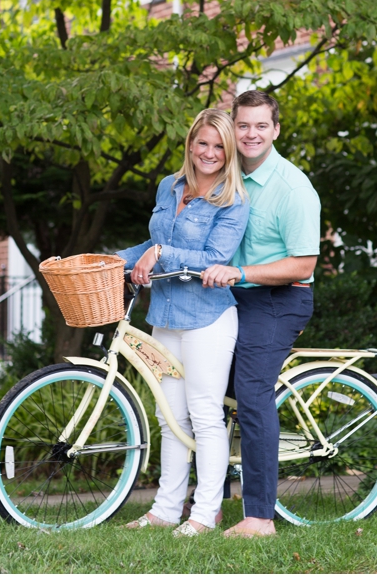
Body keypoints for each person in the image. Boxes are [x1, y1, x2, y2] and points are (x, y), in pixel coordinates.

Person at [117, 108, 249, 536]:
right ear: (190, 143)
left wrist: (163, 255)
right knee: (168, 415)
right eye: (202, 143)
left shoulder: (233, 200)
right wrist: (111, 259)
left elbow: (215, 258)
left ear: (228, 152)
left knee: (204, 414)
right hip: (164, 316)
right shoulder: (168, 186)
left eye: (218, 146)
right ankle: (165, 509)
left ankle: (205, 512)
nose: (209, 153)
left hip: (208, 317)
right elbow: (153, 243)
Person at [201, 90, 321, 538]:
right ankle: (208, 505)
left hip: (279, 298)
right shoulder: (224, 177)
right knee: (205, 390)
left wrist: (240, 271)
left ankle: (259, 518)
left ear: (275, 130)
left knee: (251, 393)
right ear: (233, 126)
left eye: (260, 126)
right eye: (243, 125)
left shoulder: (292, 188)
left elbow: (304, 264)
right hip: (234, 296)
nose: (251, 134)